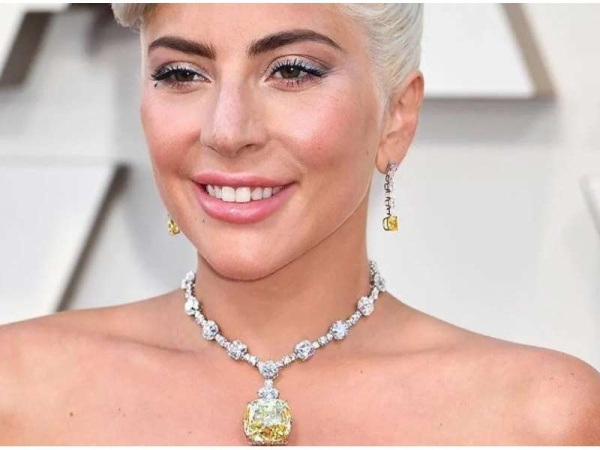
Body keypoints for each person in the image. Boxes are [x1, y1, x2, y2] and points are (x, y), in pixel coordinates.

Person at [1, 3, 599, 445]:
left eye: (291, 70)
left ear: (396, 116)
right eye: (181, 73)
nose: (227, 131)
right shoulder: (18, 389)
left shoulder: (540, 418)